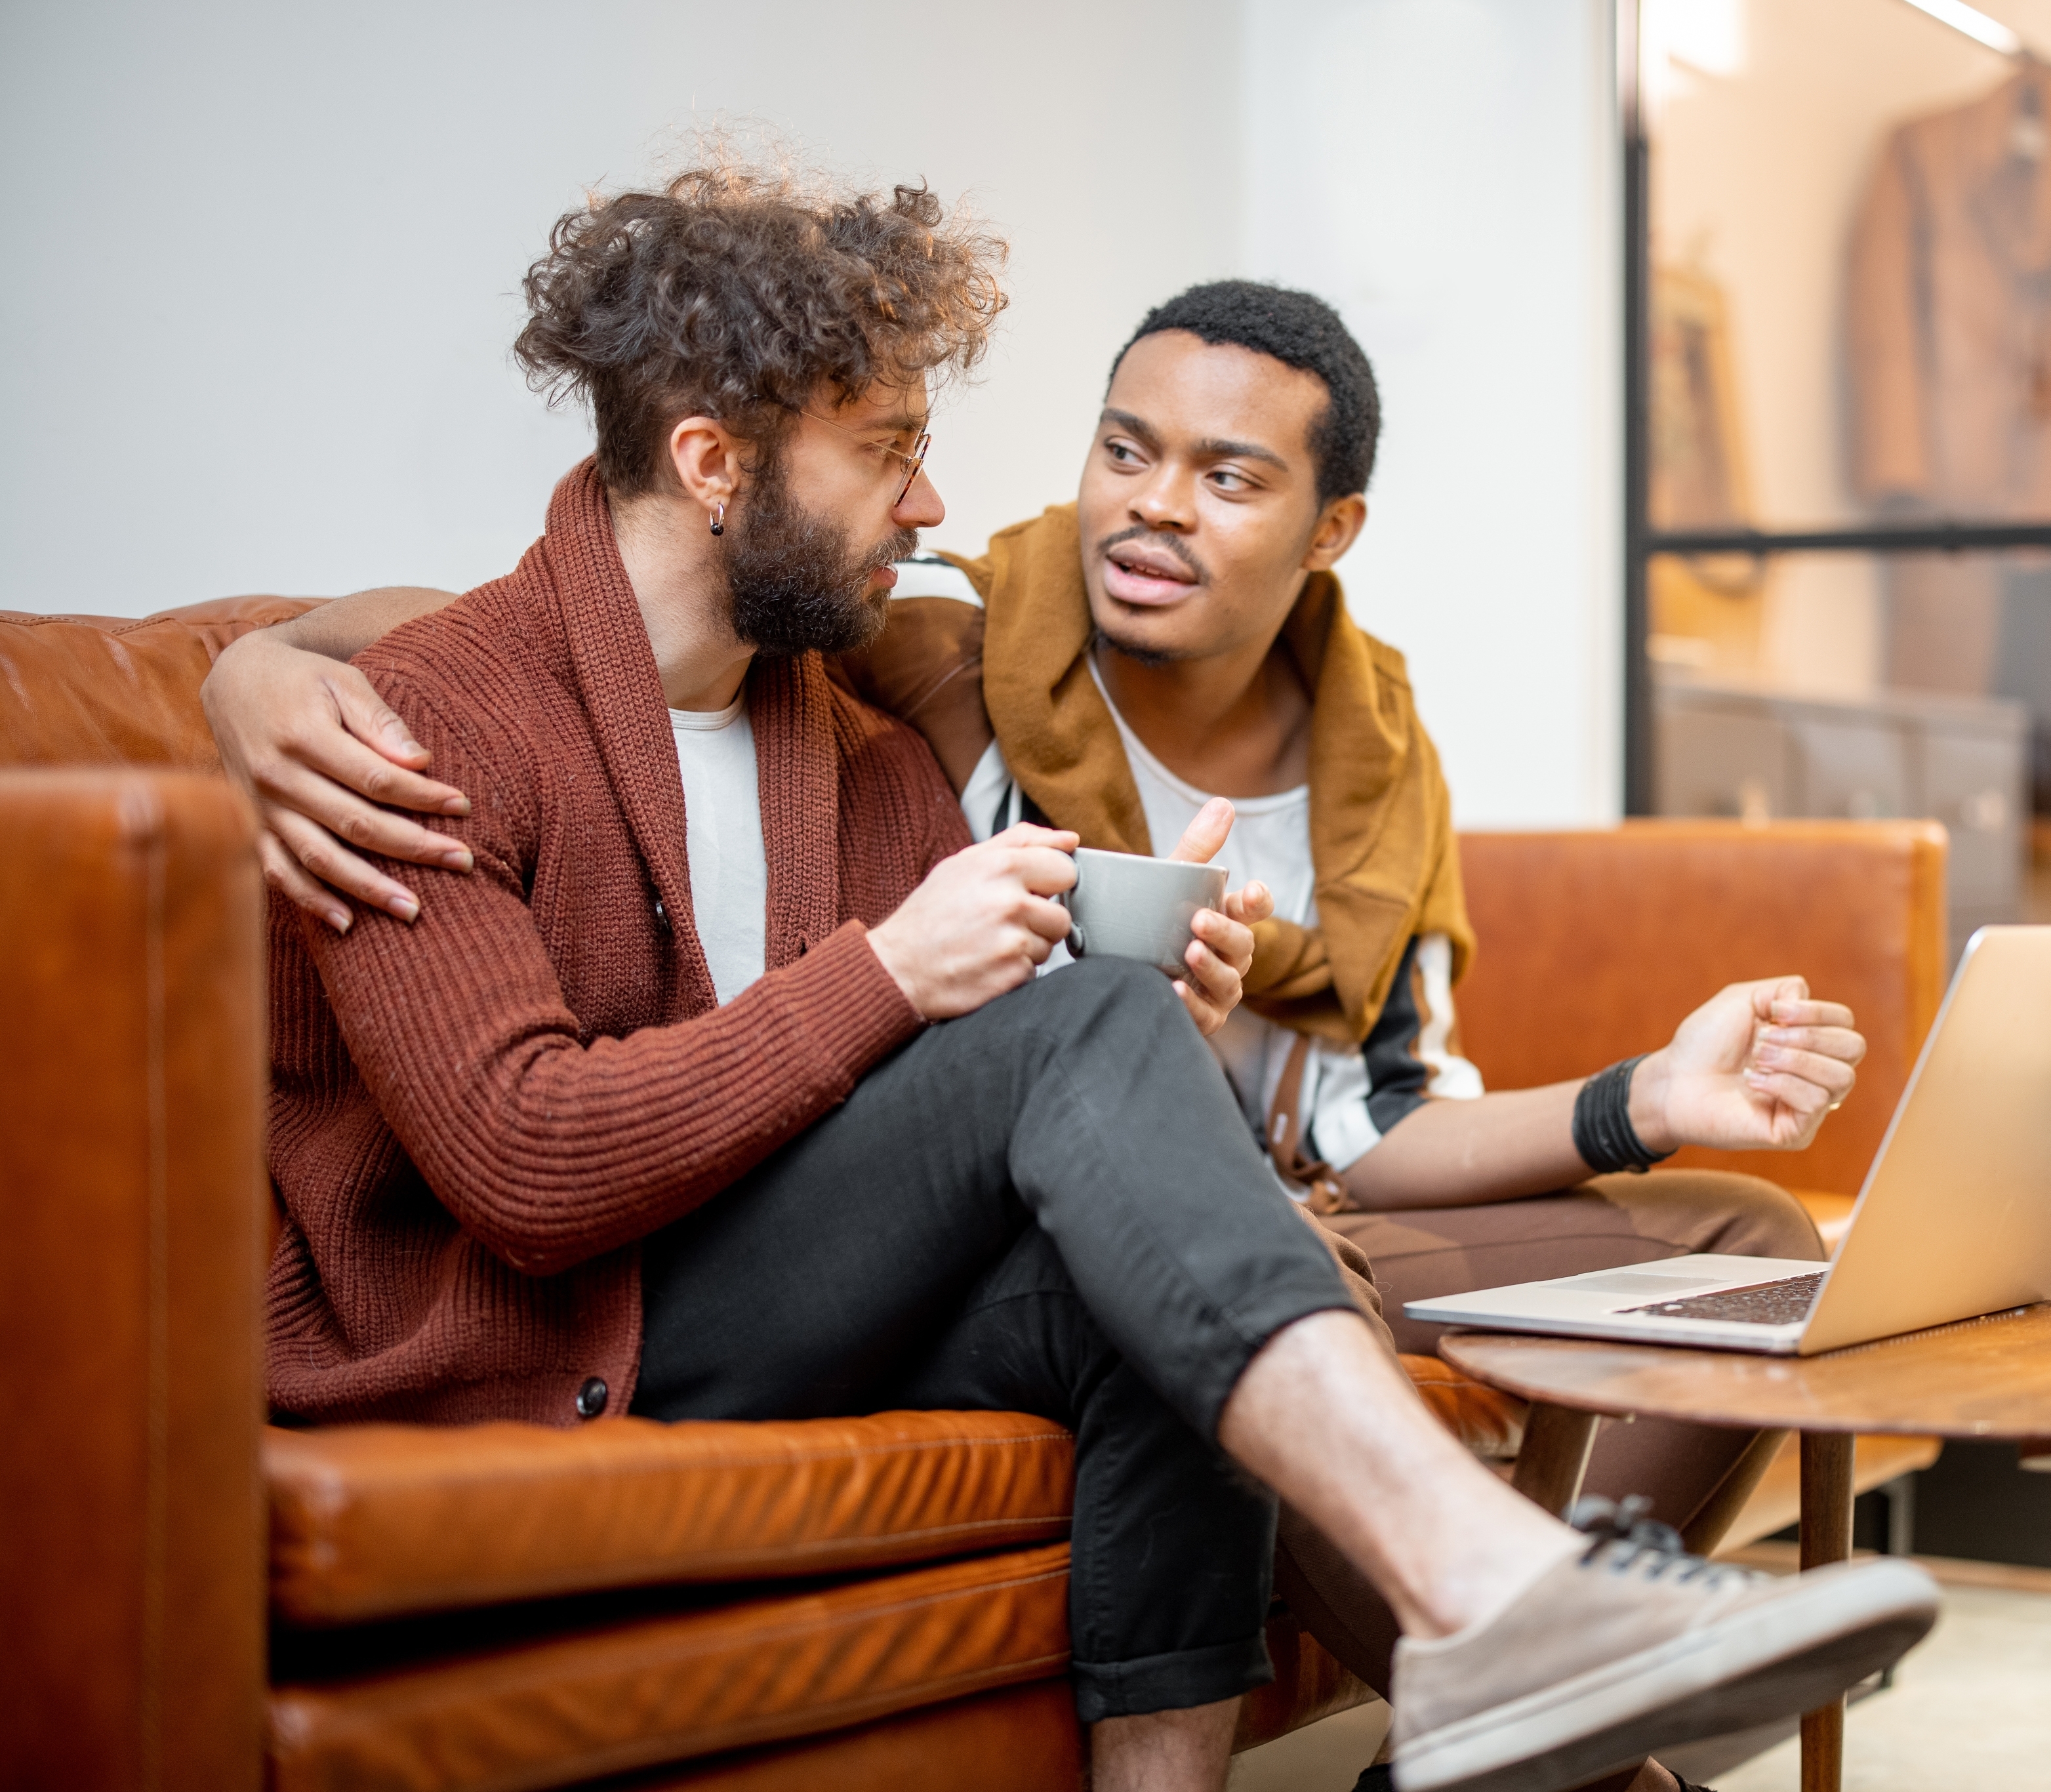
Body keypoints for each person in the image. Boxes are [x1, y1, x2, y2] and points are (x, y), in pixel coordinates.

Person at [236, 160, 1934, 1792]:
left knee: (1155, 1300)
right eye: (890, 450)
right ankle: (1494, 1589)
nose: (931, 504)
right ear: (713, 461)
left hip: (777, 1280)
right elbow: (527, 1167)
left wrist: (1156, 1041)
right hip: (557, 1322)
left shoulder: (852, 742)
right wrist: (892, 970)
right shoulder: (429, 724)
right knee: (1103, 1070)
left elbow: (1012, 1097)